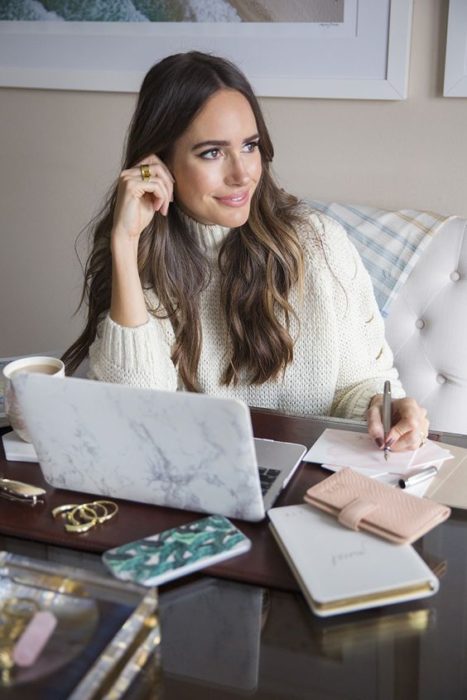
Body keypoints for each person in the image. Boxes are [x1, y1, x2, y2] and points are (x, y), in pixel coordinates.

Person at [62, 50, 428, 453]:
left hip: (306, 484)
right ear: (159, 162)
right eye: (212, 152)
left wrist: (383, 409)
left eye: (250, 146)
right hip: (187, 483)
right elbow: (136, 411)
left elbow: (360, 385)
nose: (242, 174)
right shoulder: (142, 257)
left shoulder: (320, 244)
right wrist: (126, 244)